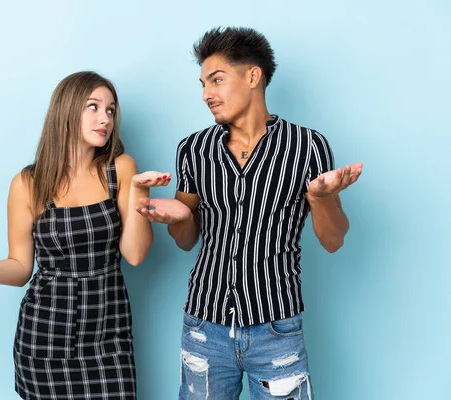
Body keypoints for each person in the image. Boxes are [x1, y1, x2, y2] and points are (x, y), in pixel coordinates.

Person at [136, 27, 363, 399]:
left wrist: (320, 198)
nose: (207, 94)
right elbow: (186, 241)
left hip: (276, 328)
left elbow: (334, 240)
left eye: (217, 80)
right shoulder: (194, 149)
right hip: (203, 327)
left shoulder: (307, 146)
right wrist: (180, 219)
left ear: (253, 76)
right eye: (203, 84)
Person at [0, 71, 171, 400]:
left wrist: (138, 190)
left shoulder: (121, 168)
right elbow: (20, 268)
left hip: (109, 334)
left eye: (111, 110)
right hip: (45, 335)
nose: (104, 118)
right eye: (93, 107)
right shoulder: (28, 183)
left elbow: (136, 255)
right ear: (65, 110)